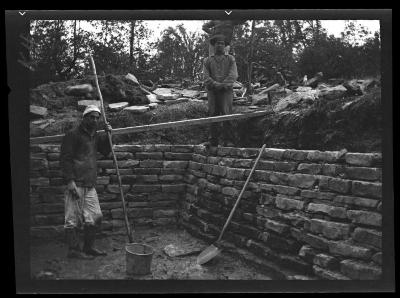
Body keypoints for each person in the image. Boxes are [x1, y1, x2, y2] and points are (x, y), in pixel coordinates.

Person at [60, 105, 112, 259]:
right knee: (72, 220)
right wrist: (70, 182)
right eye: (91, 117)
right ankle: (74, 251)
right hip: (75, 183)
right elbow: (65, 159)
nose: (95, 120)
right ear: (84, 118)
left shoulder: (95, 136)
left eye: (97, 117)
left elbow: (106, 151)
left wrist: (109, 135)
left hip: (90, 185)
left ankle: (88, 248)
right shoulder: (73, 135)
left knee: (96, 217)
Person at [203, 34, 238, 147]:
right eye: (217, 43)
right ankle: (213, 140)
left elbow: (233, 75)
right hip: (212, 92)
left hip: (226, 91)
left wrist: (223, 85)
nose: (220, 45)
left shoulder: (230, 59)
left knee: (226, 113)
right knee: (213, 114)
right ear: (214, 46)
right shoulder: (207, 60)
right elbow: (206, 77)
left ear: (225, 46)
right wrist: (215, 84)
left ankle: (228, 140)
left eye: (222, 43)